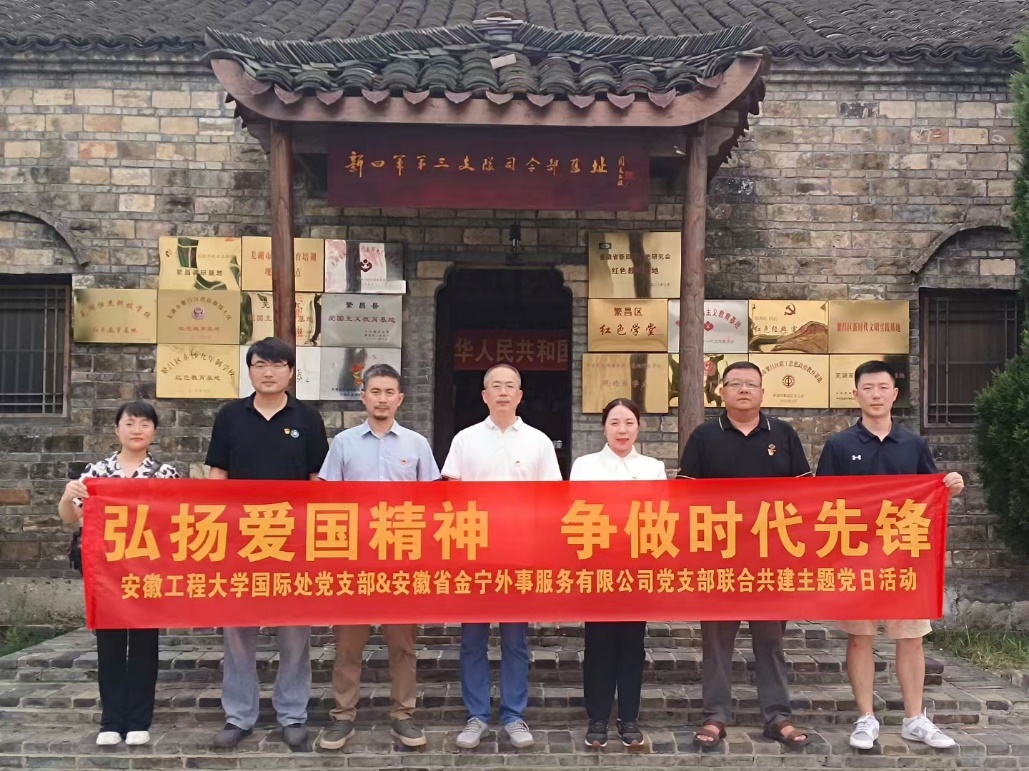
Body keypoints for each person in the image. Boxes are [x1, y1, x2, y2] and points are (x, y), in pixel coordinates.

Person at [816, 360, 964, 750]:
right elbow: (820, 502)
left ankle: (915, 718)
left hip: (905, 559)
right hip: (856, 558)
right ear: (856, 395)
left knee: (911, 639)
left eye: (883, 388)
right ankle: (866, 717)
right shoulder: (839, 446)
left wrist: (949, 486)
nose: (876, 395)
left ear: (895, 394)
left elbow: (931, 495)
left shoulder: (914, 445)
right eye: (868, 388)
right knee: (859, 638)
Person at [677, 361, 812, 751]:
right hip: (719, 558)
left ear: (762, 392)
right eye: (735, 383)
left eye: (751, 384)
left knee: (771, 641)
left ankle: (778, 717)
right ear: (721, 391)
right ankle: (715, 716)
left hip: (770, 558)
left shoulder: (783, 434)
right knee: (717, 642)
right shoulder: (704, 436)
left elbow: (807, 494)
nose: (743, 390)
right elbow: (684, 496)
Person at [205, 337, 329, 749]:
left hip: (292, 541)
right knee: (239, 631)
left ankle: (292, 713)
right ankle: (239, 715)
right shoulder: (230, 416)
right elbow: (217, 476)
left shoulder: (308, 418)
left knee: (294, 631)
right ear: (250, 370)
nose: (269, 372)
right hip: (242, 540)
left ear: (291, 372)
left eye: (277, 365)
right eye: (260, 364)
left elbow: (317, 481)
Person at [316, 364, 440, 750]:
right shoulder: (344, 444)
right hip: (354, 559)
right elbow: (327, 501)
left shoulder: (416, 444)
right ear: (363, 397)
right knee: (347, 645)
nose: (382, 399)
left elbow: (432, 503)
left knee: (402, 645)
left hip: (401, 559)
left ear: (400, 399)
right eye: (375, 392)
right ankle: (343, 717)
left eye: (389, 392)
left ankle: (404, 715)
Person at [442, 363, 562, 750]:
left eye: (510, 386)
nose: (503, 392)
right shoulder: (465, 440)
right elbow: (450, 497)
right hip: (474, 554)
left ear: (520, 395)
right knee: (472, 640)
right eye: (496, 386)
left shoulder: (539, 442)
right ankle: (476, 715)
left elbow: (552, 501)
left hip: (519, 555)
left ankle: (513, 714)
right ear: (484, 395)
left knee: (515, 641)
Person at [58, 400, 179, 747]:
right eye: (129, 423)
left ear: (154, 431)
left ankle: (139, 719)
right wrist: (68, 495)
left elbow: (174, 521)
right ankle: (111, 720)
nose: (136, 430)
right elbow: (70, 517)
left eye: (144, 424)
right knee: (109, 646)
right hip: (106, 574)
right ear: (117, 429)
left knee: (144, 645)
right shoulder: (96, 472)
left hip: (147, 571)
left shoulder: (165, 474)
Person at [569, 398, 666, 749]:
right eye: (614, 423)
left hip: (637, 570)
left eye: (628, 423)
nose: (622, 430)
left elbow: (661, 515)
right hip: (597, 568)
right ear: (604, 428)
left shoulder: (653, 467)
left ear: (638, 427)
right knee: (598, 645)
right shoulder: (585, 465)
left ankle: (629, 718)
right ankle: (597, 719)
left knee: (632, 645)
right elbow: (576, 513)